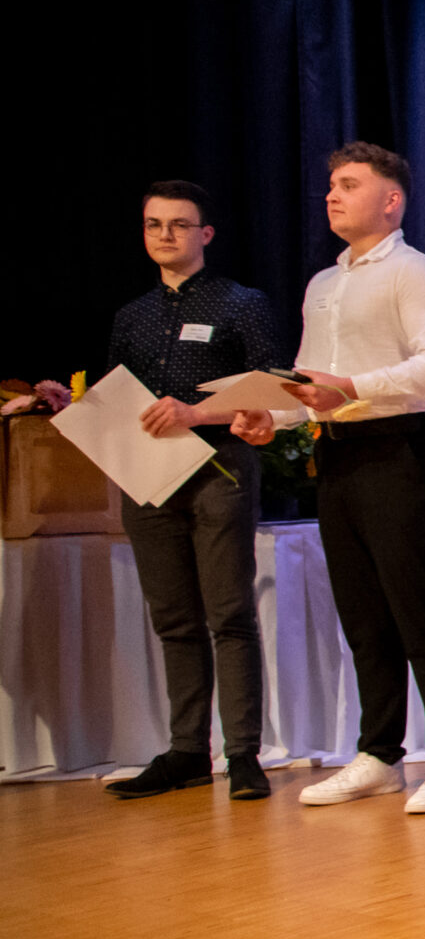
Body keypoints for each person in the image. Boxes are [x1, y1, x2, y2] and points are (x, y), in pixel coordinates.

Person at [233, 143, 425, 814]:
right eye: (331, 185)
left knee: (417, 608)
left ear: (391, 200)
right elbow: (308, 382)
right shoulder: (324, 283)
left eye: (349, 184)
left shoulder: (416, 273)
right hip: (338, 456)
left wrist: (350, 386)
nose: (332, 195)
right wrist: (273, 416)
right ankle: (379, 755)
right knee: (364, 615)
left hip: (400, 451)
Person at [102, 179, 291, 803]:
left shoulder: (240, 303)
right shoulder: (131, 316)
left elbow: (272, 386)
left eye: (179, 224)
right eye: (154, 224)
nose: (165, 235)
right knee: (173, 619)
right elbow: (119, 395)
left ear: (205, 233)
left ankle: (243, 754)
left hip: (219, 470)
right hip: (149, 477)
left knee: (228, 614)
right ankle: (187, 751)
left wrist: (196, 414)